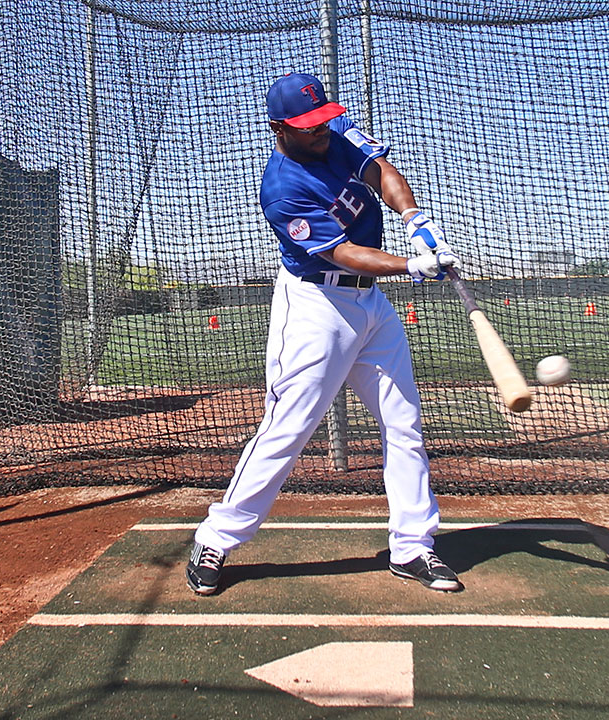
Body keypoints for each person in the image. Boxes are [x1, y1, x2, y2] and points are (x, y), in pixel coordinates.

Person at [186, 72, 462, 595]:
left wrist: (413, 216)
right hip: (317, 306)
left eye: (323, 122)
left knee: (404, 423)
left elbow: (380, 170)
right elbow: (342, 254)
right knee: (288, 427)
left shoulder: (335, 132)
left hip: (370, 305)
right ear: (278, 129)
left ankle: (412, 547)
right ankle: (217, 537)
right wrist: (411, 265)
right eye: (308, 128)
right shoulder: (282, 189)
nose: (321, 134)